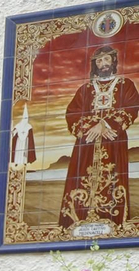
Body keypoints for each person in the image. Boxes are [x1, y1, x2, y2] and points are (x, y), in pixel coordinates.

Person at [58, 45, 139, 230]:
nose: (103, 64)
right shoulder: (85, 89)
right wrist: (92, 127)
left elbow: (132, 107)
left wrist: (106, 124)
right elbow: (72, 114)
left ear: (113, 62)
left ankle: (113, 223)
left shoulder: (125, 85)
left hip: (113, 141)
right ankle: (76, 222)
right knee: (81, 180)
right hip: (87, 143)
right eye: (99, 60)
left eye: (107, 59)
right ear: (95, 65)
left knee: (113, 180)